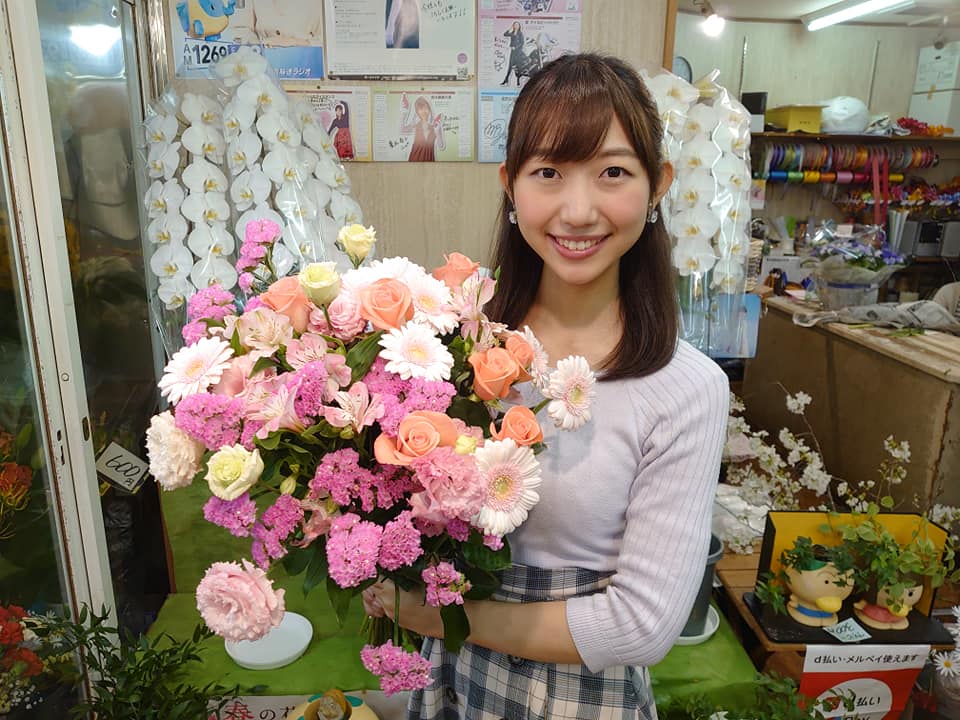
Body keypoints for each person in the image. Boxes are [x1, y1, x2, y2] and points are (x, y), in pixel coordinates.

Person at [364, 53, 728, 719]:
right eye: (549, 173)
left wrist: (435, 616)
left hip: (581, 697)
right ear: (511, 185)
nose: (578, 210)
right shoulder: (447, 344)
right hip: (447, 680)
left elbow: (642, 627)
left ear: (658, 186)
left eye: (613, 172)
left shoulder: (687, 388)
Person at [400, 95, 445, 162]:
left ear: (429, 109)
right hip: (414, 159)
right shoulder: (416, 125)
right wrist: (404, 112)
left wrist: (437, 132)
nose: (424, 111)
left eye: (426, 108)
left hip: (429, 161)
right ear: (417, 112)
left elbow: (441, 146)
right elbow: (402, 130)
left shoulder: (435, 126)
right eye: (421, 109)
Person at [501, 22, 525, 86]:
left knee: (518, 66)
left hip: (518, 52)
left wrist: (516, 47)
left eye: (517, 25)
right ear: (513, 26)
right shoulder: (512, 33)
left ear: (519, 26)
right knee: (510, 66)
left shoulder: (520, 33)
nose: (516, 26)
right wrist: (510, 28)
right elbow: (505, 34)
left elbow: (522, 43)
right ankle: (506, 80)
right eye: (515, 25)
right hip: (513, 52)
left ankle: (518, 81)